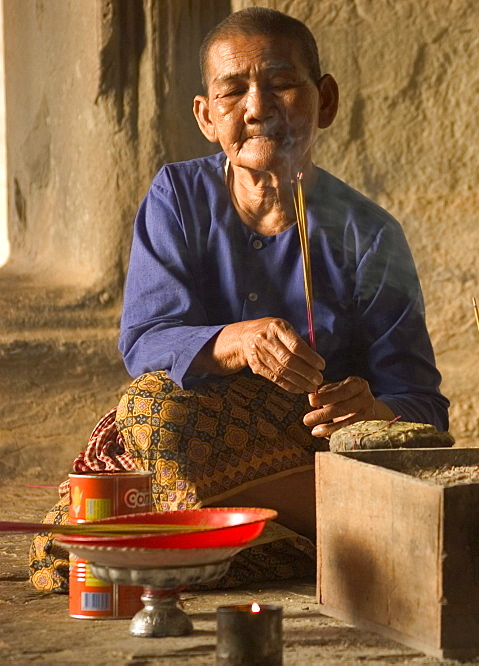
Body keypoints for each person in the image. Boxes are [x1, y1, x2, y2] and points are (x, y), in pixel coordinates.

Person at [29, 7, 448, 592]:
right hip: (196, 436)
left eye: (281, 84)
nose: (257, 108)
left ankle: (223, 536)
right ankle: (319, 541)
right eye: (233, 92)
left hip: (314, 455)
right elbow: (145, 341)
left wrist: (372, 410)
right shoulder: (177, 196)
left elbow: (425, 406)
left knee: (104, 539)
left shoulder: (369, 234)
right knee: (147, 415)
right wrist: (238, 341)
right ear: (206, 116)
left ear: (324, 100)